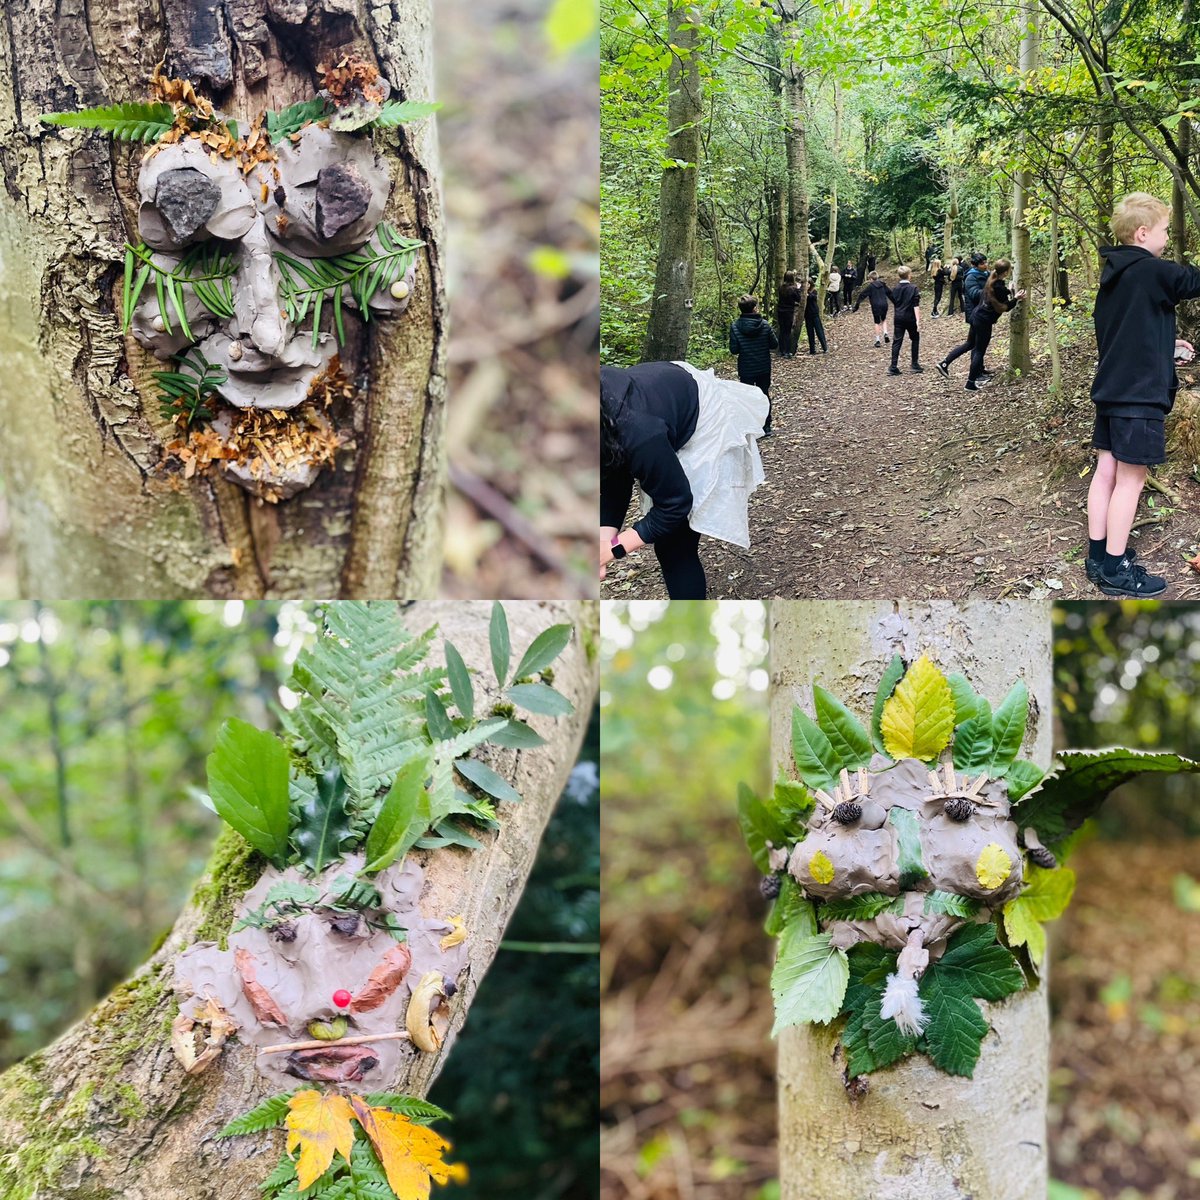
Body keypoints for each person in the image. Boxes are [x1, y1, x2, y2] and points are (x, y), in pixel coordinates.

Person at [1085, 192, 1200, 597]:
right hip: (1139, 397)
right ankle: (1116, 570)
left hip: (1112, 390)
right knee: (1131, 480)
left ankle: (1098, 557)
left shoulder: (1115, 277)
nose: (1168, 238)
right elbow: (1193, 281)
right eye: (1165, 230)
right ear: (1143, 233)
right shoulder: (1152, 270)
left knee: (1106, 472)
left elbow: (1125, 334)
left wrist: (1168, 345)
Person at [600, 362, 768, 599]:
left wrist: (615, 548)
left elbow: (675, 505)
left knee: (674, 547)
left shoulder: (639, 431)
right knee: (670, 544)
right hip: (664, 400)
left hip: (703, 421)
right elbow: (615, 470)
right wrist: (602, 541)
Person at [962, 259, 1024, 390]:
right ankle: (970, 382)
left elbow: (1001, 293)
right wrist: (1016, 298)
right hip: (983, 320)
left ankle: (945, 363)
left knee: (971, 345)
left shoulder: (992, 279)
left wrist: (1010, 291)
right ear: (1006, 272)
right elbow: (1005, 306)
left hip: (977, 316)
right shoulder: (995, 284)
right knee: (978, 350)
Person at [729, 294, 779, 435]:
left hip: (746, 368)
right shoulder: (764, 324)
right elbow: (774, 344)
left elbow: (734, 349)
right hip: (763, 366)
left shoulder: (735, 326)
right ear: (755, 308)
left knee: (747, 397)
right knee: (764, 394)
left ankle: (752, 427)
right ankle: (766, 426)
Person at [936, 252, 990, 379]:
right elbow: (974, 294)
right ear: (975, 265)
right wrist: (991, 291)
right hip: (976, 315)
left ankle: (945, 363)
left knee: (971, 344)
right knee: (977, 345)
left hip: (982, 313)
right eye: (982, 263)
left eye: (986, 262)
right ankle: (976, 374)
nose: (985, 265)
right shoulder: (971, 277)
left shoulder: (986, 274)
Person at [886, 265, 922, 374]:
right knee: (915, 339)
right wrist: (918, 320)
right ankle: (914, 364)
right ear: (909, 275)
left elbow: (895, 302)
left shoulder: (895, 289)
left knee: (897, 341)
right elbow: (916, 305)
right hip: (910, 318)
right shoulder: (913, 288)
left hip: (898, 317)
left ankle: (893, 366)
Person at [853, 271, 891, 346]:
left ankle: (878, 340)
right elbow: (890, 293)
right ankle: (885, 333)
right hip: (884, 304)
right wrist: (897, 303)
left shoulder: (870, 287)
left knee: (877, 322)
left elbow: (862, 295)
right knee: (884, 319)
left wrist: (856, 306)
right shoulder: (883, 285)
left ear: (871, 279)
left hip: (875, 306)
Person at [776, 269, 803, 358]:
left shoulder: (781, 287)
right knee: (787, 331)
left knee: (782, 330)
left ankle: (781, 351)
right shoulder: (793, 289)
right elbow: (798, 299)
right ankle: (787, 351)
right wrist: (799, 289)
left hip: (780, 310)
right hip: (788, 311)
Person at [803, 279, 828, 354]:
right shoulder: (802, 292)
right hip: (807, 315)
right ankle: (812, 349)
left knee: (819, 331)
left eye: (808, 284)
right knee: (810, 332)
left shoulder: (814, 291)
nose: (807, 286)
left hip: (814, 314)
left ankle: (825, 347)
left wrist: (807, 294)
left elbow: (813, 297)